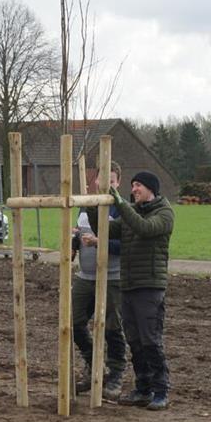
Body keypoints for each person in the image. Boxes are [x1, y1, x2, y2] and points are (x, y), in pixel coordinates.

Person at [91, 170, 175, 411]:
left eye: (138, 185)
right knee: (135, 341)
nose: (134, 189)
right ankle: (142, 388)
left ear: (151, 189)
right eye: (132, 186)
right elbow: (103, 230)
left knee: (150, 340)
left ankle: (161, 390)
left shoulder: (164, 213)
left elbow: (144, 229)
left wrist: (119, 202)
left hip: (149, 286)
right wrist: (94, 205)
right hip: (128, 285)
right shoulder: (133, 213)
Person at [71, 162, 127, 400]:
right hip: (85, 276)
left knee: (112, 327)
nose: (104, 184)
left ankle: (115, 373)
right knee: (74, 322)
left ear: (118, 183)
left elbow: (126, 245)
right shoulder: (85, 206)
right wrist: (74, 240)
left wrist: (99, 242)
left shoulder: (123, 210)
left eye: (111, 181)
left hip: (113, 277)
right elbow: (79, 234)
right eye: (101, 180)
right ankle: (94, 363)